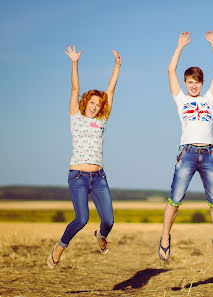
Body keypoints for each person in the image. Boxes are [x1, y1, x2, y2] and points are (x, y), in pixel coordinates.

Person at [47, 45, 121, 269]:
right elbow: (74, 88)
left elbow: (111, 90)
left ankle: (101, 235)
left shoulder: (102, 120)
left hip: (99, 176)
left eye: (98, 105)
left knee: (109, 220)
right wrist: (74, 63)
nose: (94, 107)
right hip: (78, 176)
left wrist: (117, 66)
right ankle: (59, 247)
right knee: (82, 218)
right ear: (85, 102)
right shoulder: (75, 117)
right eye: (91, 103)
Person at [159, 31, 213, 263]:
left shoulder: (209, 99)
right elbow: (170, 71)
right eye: (190, 82)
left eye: (197, 82)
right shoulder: (181, 99)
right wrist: (179, 46)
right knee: (175, 198)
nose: (193, 86)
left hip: (209, 154)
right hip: (187, 153)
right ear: (186, 83)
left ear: (201, 83)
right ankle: (165, 237)